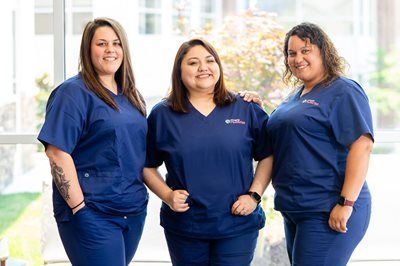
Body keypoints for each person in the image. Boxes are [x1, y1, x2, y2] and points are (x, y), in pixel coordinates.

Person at [143, 38, 273, 266]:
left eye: (210, 60)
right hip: (186, 226)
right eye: (193, 63)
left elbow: (268, 155)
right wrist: (167, 195)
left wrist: (254, 196)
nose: (203, 67)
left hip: (237, 225)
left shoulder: (245, 107)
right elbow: (146, 165)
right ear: (179, 71)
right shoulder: (162, 114)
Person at [38, 18, 148, 266]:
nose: (111, 49)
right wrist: (79, 209)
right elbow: (56, 152)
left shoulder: (131, 95)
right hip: (93, 213)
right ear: (88, 50)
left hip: (132, 211)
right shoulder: (72, 93)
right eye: (101, 43)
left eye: (116, 43)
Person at [266, 22, 374, 265]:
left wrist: (345, 203)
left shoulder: (343, 90)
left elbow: (362, 146)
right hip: (295, 209)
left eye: (306, 50)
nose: (298, 58)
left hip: (328, 208)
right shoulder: (295, 96)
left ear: (323, 52)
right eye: (291, 53)